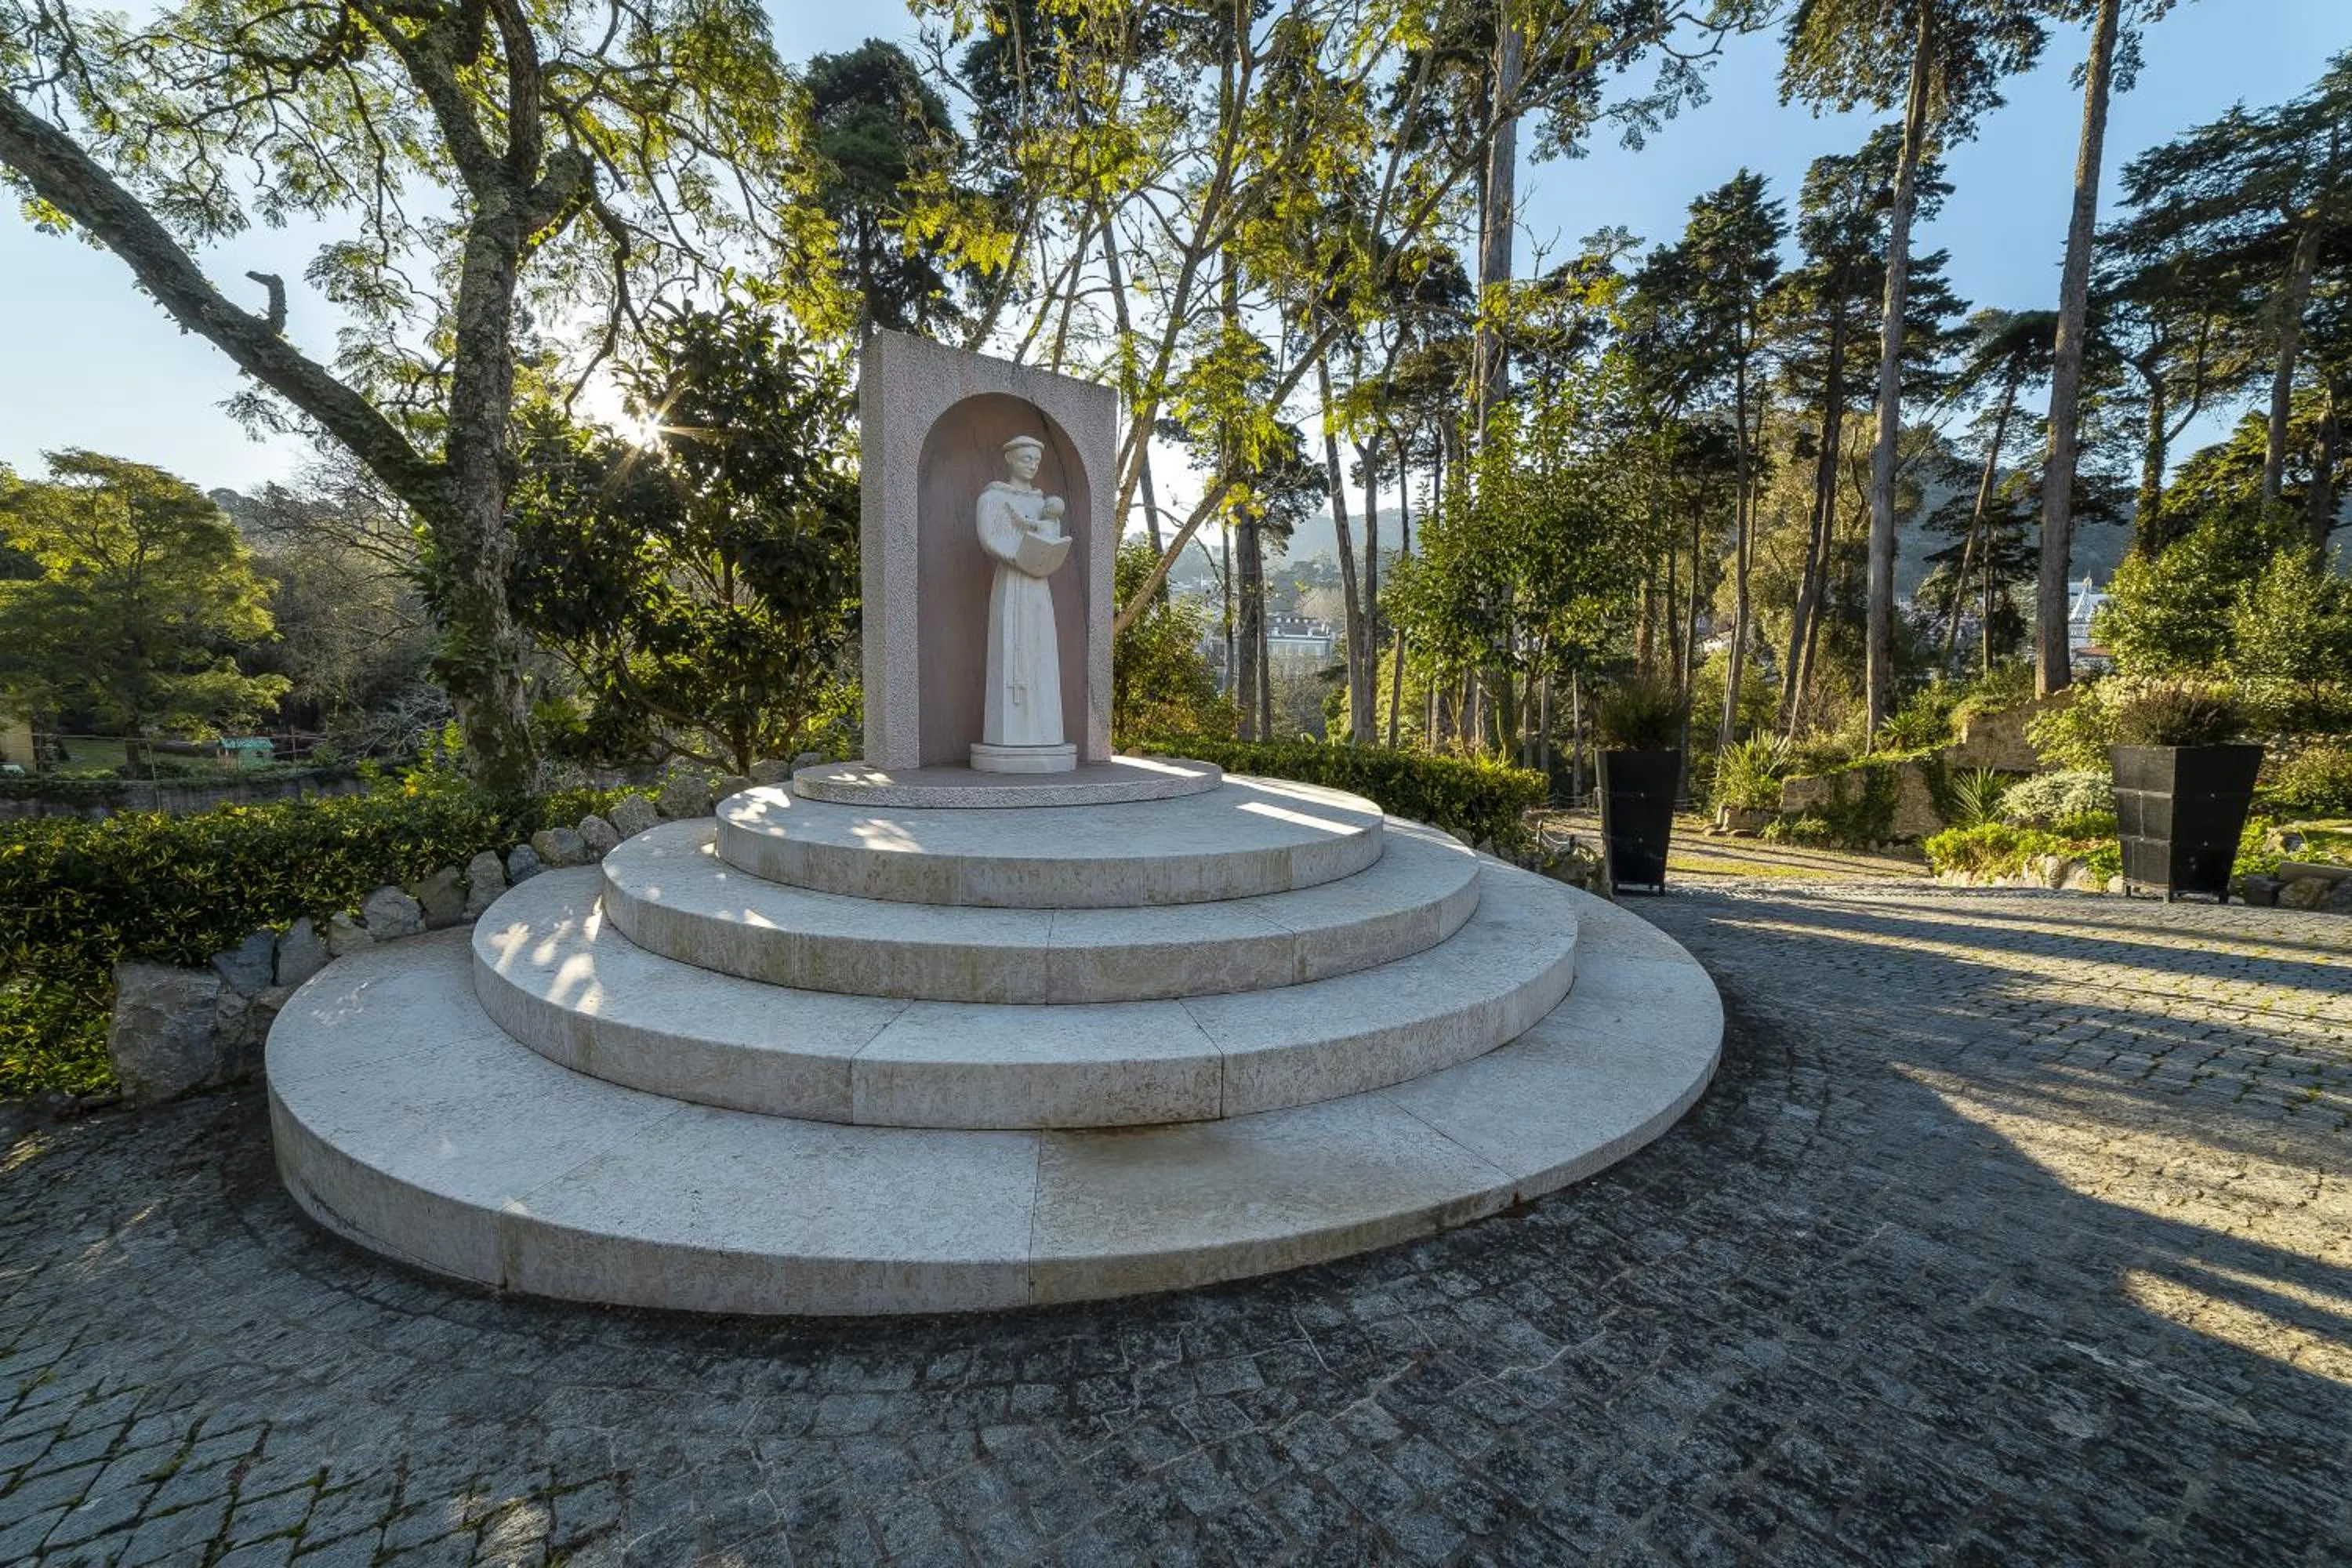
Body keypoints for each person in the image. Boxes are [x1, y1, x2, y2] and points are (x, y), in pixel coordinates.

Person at [975, 435, 1073, 756]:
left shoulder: (1044, 504)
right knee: (1011, 648)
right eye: (1026, 458)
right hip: (1014, 580)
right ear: (1010, 459)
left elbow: (1052, 540)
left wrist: (1044, 551)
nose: (1032, 465)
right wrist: (1020, 556)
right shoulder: (992, 498)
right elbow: (991, 537)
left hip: (1038, 585)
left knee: (1041, 648)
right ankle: (1011, 732)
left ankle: (1043, 730)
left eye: (1036, 460)